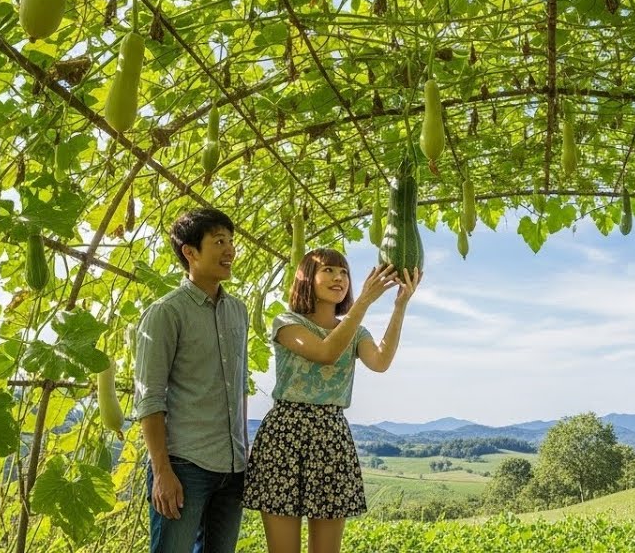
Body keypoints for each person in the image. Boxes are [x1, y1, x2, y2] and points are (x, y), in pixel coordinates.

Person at [243, 249, 420, 553]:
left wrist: (400, 306)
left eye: (344, 272)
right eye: (328, 270)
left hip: (331, 437)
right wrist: (363, 302)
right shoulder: (286, 322)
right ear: (306, 279)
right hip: (284, 436)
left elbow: (380, 361)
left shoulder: (354, 329)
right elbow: (325, 353)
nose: (339, 278)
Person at [132, 208, 248, 553]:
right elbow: (150, 397)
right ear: (190, 252)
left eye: (231, 241)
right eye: (219, 242)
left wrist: (243, 448)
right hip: (185, 467)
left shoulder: (237, 310)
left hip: (233, 467)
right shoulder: (166, 313)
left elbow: (239, 387)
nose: (230, 250)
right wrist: (162, 472)